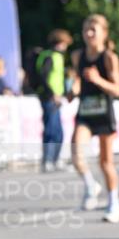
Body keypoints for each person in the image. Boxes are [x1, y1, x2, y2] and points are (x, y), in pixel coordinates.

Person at [70, 14, 119, 222]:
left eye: (93, 29)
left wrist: (98, 79)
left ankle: (113, 203)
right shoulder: (77, 56)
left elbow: (118, 89)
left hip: (103, 114)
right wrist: (72, 90)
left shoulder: (109, 57)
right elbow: (77, 80)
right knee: (76, 152)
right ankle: (90, 185)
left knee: (105, 162)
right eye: (86, 30)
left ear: (104, 33)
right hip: (85, 111)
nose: (89, 33)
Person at [34, 30, 73, 172]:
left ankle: (54, 160)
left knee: (58, 131)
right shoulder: (51, 57)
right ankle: (48, 161)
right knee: (51, 129)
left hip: (55, 97)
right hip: (49, 97)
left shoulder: (53, 56)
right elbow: (44, 77)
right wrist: (52, 94)